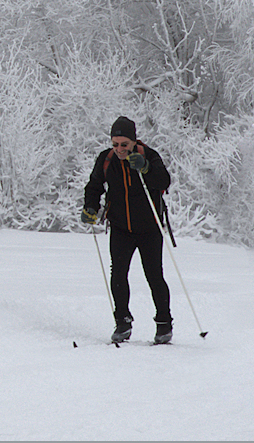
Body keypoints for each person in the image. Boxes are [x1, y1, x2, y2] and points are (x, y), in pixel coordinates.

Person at [81, 116, 173, 344]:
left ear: (133, 141)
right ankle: (122, 322)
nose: (119, 149)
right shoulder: (107, 159)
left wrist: (146, 168)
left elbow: (164, 181)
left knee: (154, 275)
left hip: (149, 227)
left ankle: (164, 324)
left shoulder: (149, 156)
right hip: (121, 227)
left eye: (124, 144)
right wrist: (90, 207)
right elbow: (94, 186)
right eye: (115, 144)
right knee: (118, 273)